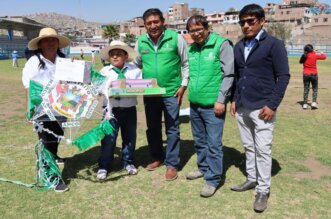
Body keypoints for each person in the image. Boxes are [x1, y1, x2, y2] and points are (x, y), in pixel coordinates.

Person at [230, 4, 290, 212]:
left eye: (251, 21)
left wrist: (272, 104)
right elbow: (238, 76)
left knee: (263, 150)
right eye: (243, 22)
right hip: (243, 106)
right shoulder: (239, 46)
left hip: (263, 107)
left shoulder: (274, 44)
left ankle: (263, 190)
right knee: (248, 146)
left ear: (262, 21)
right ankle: (252, 178)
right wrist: (234, 99)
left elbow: (283, 77)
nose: (246, 26)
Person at [133, 8, 189, 181]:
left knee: (172, 127)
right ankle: (157, 157)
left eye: (156, 22)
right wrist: (129, 83)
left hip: (171, 91)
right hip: (149, 93)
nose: (153, 25)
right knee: (153, 127)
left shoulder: (175, 38)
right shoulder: (141, 41)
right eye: (149, 23)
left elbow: (186, 63)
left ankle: (172, 164)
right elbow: (136, 65)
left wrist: (183, 85)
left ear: (162, 21)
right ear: (144, 25)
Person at [184, 15, 234, 197]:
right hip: (195, 103)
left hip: (214, 106)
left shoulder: (221, 44)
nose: (196, 33)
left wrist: (221, 100)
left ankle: (213, 179)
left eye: (199, 29)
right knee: (200, 141)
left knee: (213, 144)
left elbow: (229, 75)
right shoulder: (192, 49)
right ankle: (203, 168)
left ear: (207, 28)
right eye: (192, 30)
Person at [22, 27, 71, 192]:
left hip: (62, 107)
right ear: (40, 44)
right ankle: (52, 177)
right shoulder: (33, 63)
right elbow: (28, 88)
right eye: (46, 40)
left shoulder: (64, 60)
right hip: (42, 110)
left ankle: (52, 158)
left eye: (53, 40)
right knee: (46, 141)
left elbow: (72, 84)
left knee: (57, 136)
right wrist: (29, 109)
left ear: (58, 43)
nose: (50, 43)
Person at [96, 40, 142, 180]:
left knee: (129, 137)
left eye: (118, 54)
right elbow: (97, 89)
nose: (115, 57)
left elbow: (142, 86)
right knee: (108, 139)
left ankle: (128, 162)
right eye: (112, 55)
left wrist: (129, 88)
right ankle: (104, 165)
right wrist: (107, 88)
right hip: (110, 110)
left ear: (126, 55)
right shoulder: (104, 71)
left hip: (129, 109)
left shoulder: (135, 71)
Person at [299, 44, 327, 110]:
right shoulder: (314, 55)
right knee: (315, 88)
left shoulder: (304, 56)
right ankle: (314, 103)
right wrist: (322, 53)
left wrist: (313, 51)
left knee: (306, 89)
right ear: (311, 49)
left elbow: (307, 56)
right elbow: (324, 57)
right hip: (314, 74)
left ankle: (305, 104)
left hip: (306, 74)